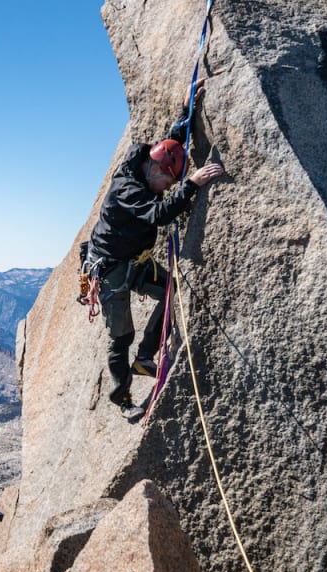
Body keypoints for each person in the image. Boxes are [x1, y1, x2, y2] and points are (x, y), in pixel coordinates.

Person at [86, 79, 224, 420]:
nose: (168, 187)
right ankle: (121, 399)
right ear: (156, 170)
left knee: (169, 289)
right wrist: (191, 185)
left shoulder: (150, 162)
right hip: (110, 268)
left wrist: (187, 108)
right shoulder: (127, 189)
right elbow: (159, 214)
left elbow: (173, 141)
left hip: (135, 259)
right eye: (167, 182)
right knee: (120, 336)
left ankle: (145, 358)